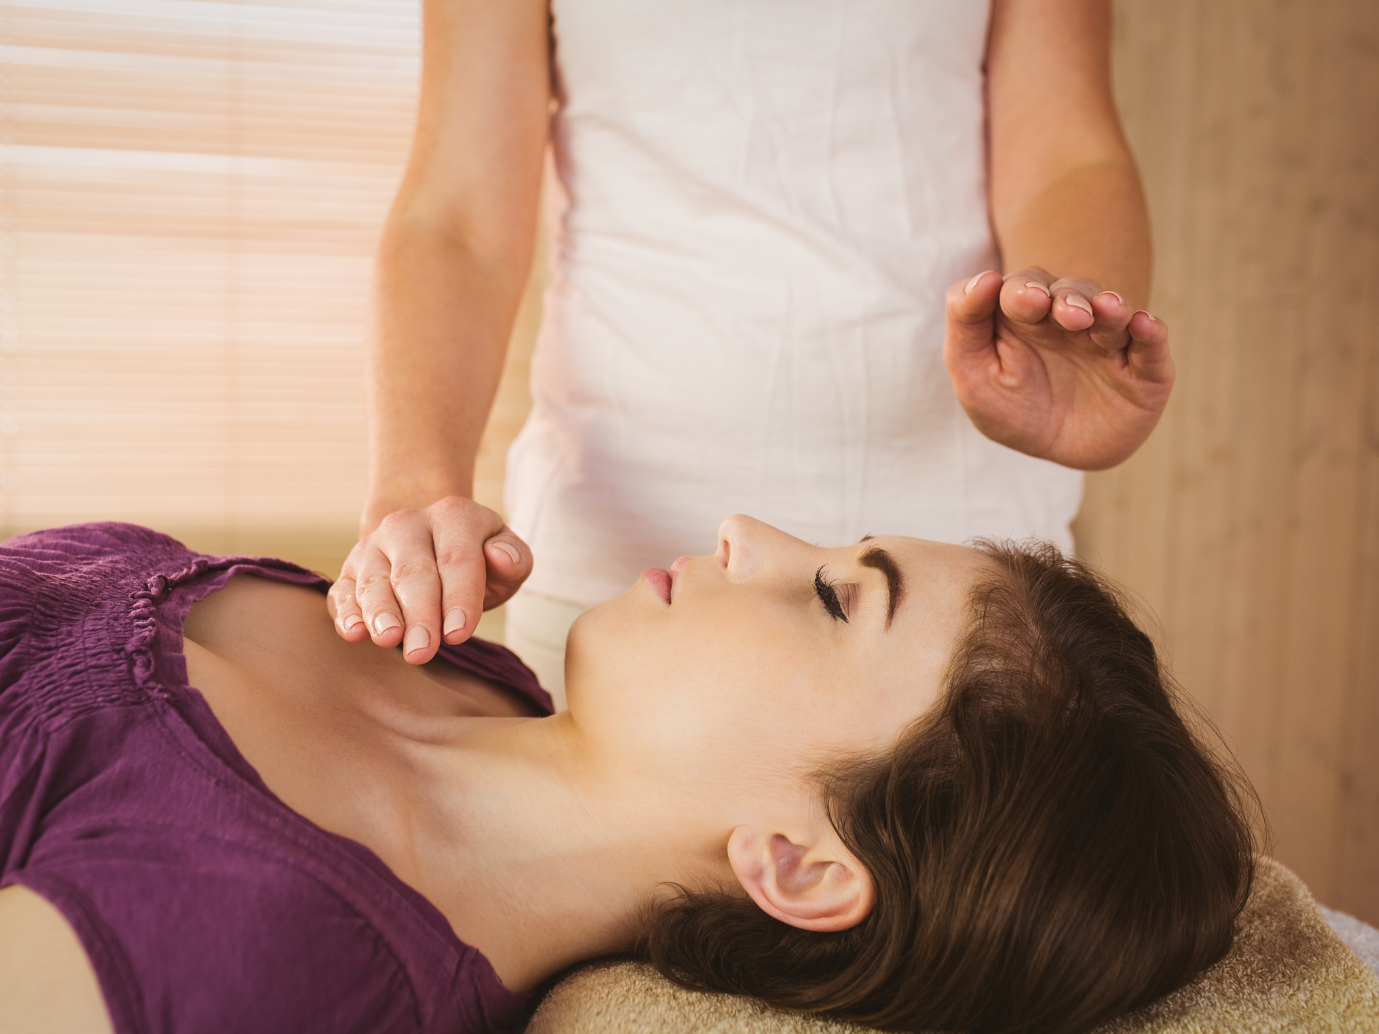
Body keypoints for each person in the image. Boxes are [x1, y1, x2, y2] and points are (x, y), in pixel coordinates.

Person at [1, 516, 1252, 1034]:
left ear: (803, 863)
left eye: (829, 596)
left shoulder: (268, 950)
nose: (746, 531)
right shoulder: (463, 659)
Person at [333, 0, 1175, 705]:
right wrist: (414, 490)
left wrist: (1070, 311)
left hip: (951, 590)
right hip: (622, 571)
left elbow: (1069, 153)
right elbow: (459, 216)